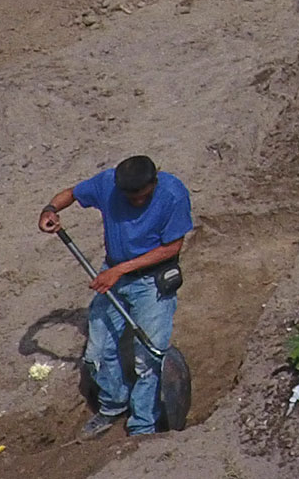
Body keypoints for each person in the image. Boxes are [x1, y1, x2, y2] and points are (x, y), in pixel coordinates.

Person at [40, 155, 191, 437]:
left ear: (154, 182)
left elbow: (172, 247)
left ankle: (143, 426)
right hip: (114, 274)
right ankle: (113, 404)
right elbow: (71, 194)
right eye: (130, 198)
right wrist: (50, 209)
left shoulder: (173, 194)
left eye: (142, 198)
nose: (135, 203)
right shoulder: (108, 184)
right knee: (97, 352)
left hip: (152, 281)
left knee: (149, 357)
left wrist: (121, 270)